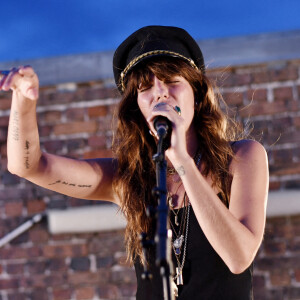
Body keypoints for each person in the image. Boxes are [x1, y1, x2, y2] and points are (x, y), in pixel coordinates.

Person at [0, 26, 269, 299]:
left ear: (197, 97)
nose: (160, 93)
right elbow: (28, 166)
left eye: (172, 81)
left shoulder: (241, 158)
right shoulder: (128, 178)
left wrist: (181, 159)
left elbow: (239, 257)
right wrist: (23, 102)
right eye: (146, 87)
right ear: (138, 109)